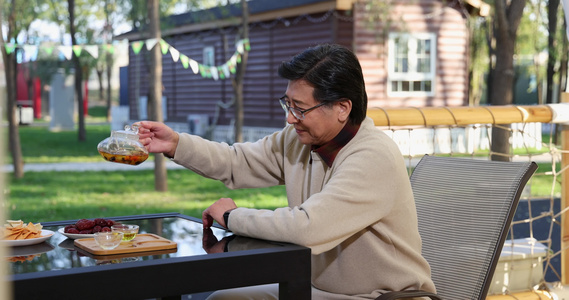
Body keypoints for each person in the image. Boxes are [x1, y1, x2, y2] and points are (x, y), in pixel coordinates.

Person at [136, 44, 435, 300]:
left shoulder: (373, 156)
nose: (290, 118)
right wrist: (176, 144)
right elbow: (236, 162)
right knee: (224, 297)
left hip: (386, 296)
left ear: (342, 108)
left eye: (300, 108)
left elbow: (308, 227)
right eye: (287, 104)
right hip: (321, 289)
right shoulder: (300, 138)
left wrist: (232, 217)